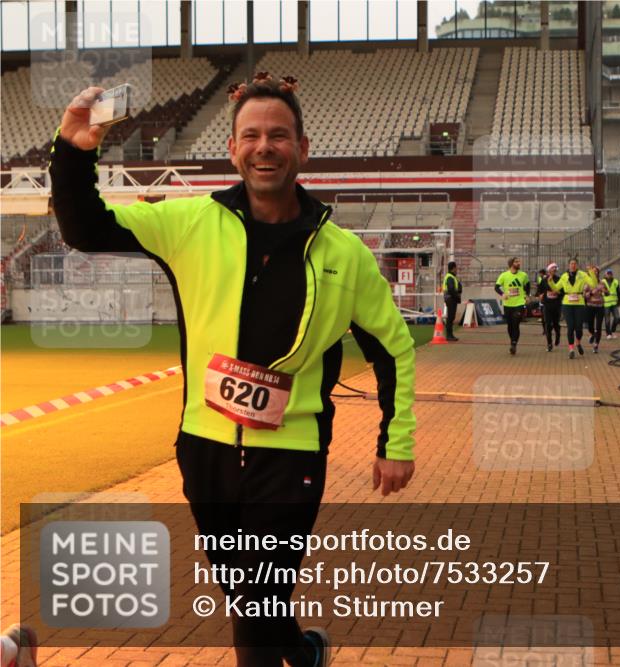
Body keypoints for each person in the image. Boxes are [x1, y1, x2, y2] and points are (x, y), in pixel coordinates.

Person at [50, 74, 417, 667]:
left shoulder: (343, 253)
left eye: (278, 135)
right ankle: (302, 651)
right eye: (251, 135)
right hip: (204, 449)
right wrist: (73, 152)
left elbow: (393, 348)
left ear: (302, 147)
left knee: (255, 604)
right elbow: (84, 228)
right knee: (249, 597)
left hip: (291, 453)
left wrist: (395, 442)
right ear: (233, 149)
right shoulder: (189, 223)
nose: (264, 146)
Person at [548, 258, 596, 359]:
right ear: (568, 265)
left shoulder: (582, 274)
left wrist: (591, 272)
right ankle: (571, 349)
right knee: (570, 327)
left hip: (579, 303)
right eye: (571, 263)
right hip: (567, 303)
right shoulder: (564, 276)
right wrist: (551, 282)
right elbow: (556, 288)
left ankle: (578, 342)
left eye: (574, 263)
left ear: (577, 265)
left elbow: (593, 284)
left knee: (578, 327)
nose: (573, 265)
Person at [494, 256, 529, 355]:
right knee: (510, 325)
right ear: (511, 264)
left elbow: (528, 285)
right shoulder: (504, 275)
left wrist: (526, 295)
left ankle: (514, 344)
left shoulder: (523, 275)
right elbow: (496, 287)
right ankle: (512, 341)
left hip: (519, 303)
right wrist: (502, 294)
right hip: (508, 304)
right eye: (516, 262)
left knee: (516, 323)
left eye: (519, 261)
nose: (519, 263)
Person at [537, 263, 562, 351]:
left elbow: (562, 291)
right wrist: (540, 295)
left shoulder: (559, 279)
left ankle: (558, 335)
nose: (554, 269)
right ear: (549, 270)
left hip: (556, 305)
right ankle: (549, 344)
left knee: (556, 324)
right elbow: (539, 290)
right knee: (548, 324)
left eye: (555, 268)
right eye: (552, 268)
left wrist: (558, 292)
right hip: (547, 305)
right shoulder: (544, 280)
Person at [584, 265, 608, 354]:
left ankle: (596, 345)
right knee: (590, 326)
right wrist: (590, 293)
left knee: (598, 327)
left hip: (600, 307)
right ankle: (592, 335)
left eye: (597, 271)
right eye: (593, 271)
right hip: (590, 306)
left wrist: (605, 291)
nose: (595, 273)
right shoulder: (587, 283)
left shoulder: (602, 283)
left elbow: (607, 293)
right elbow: (584, 295)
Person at [442, 260, 462, 341]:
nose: (457, 269)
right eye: (456, 268)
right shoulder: (450, 277)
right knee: (450, 317)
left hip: (451, 298)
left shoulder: (452, 277)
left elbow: (458, 286)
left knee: (451, 317)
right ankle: (449, 335)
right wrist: (457, 296)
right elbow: (451, 289)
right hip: (451, 298)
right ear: (453, 268)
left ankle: (450, 335)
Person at [602, 269, 620, 339]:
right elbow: (602, 292)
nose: (609, 275)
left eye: (610, 273)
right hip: (606, 303)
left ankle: (613, 331)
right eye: (608, 273)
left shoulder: (615, 281)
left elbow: (618, 292)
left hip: (614, 303)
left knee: (617, 317)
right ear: (605, 274)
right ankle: (608, 333)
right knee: (607, 320)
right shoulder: (603, 282)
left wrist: (619, 301)